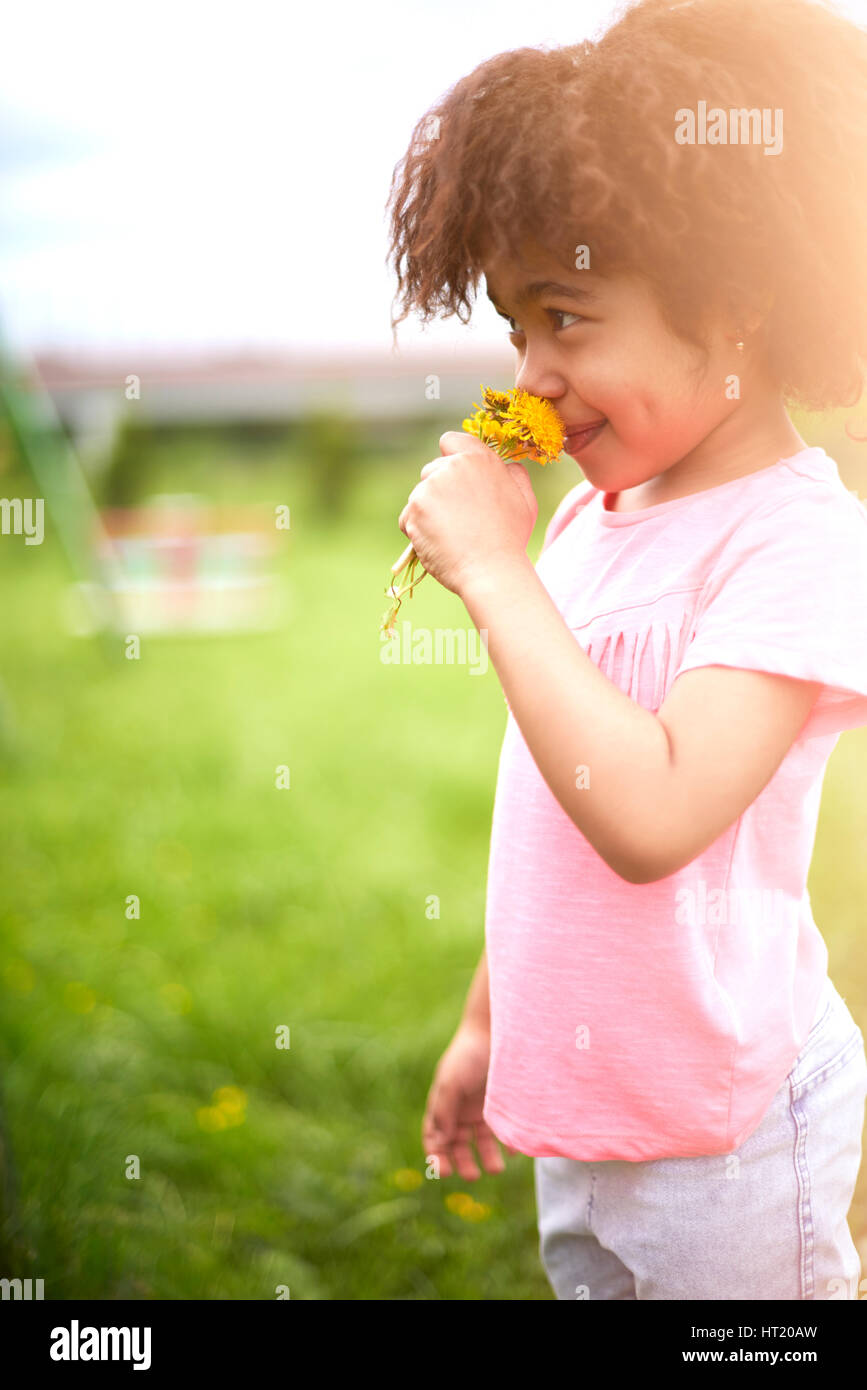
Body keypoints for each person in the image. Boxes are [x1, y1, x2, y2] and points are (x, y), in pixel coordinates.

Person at [385, 0, 867, 1299]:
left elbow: (649, 810)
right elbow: (556, 792)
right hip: (586, 1101)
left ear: (737, 309)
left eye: (569, 316)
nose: (529, 376)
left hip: (730, 1130)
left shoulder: (798, 539)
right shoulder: (596, 518)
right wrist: (495, 1021)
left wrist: (492, 569)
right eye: (511, 327)